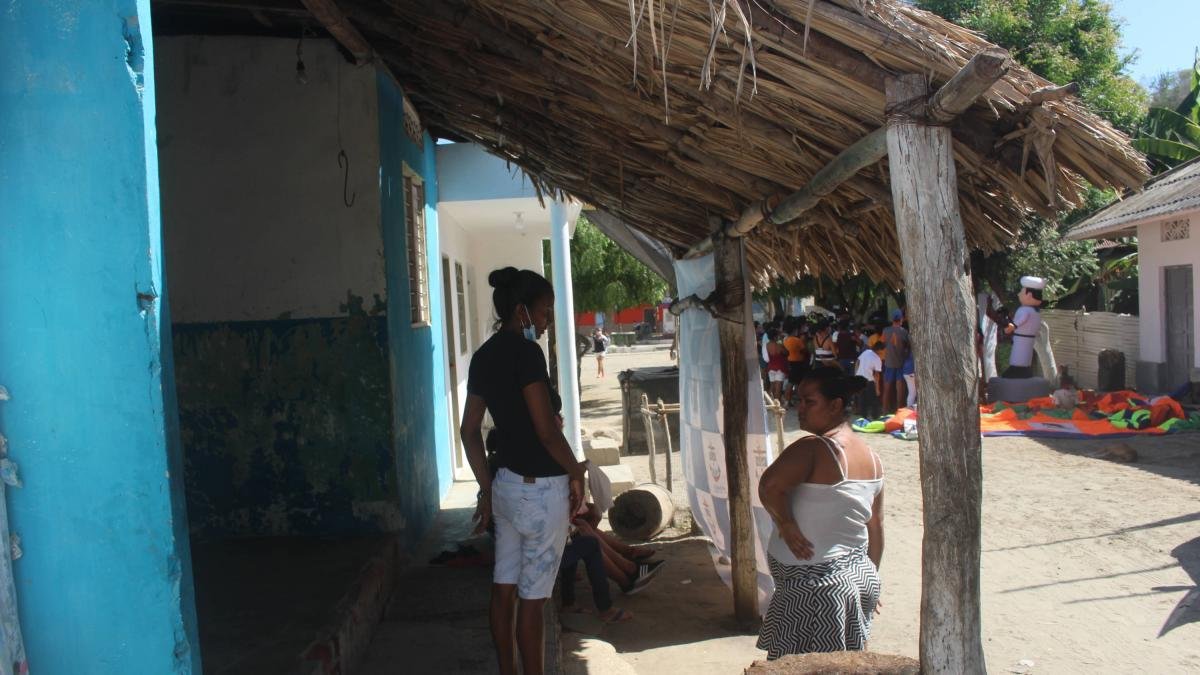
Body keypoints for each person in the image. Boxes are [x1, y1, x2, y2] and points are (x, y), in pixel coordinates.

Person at [460, 267, 586, 675]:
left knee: (503, 589)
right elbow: (547, 433)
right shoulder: (527, 355)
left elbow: (468, 430)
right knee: (533, 601)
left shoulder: (483, 356)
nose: (548, 321)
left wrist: (486, 488)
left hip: (506, 488)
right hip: (541, 492)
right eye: (545, 311)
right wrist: (577, 472)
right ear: (522, 312)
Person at [757, 367, 884, 659]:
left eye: (808, 401)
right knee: (841, 665)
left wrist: (786, 524)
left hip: (817, 590)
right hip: (855, 579)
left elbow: (768, 486)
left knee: (801, 666)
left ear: (835, 405)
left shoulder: (815, 448)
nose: (798, 408)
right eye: (798, 400)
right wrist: (870, 578)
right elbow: (875, 526)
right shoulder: (872, 457)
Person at [999, 276, 1045, 378]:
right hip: (1029, 338)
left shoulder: (1025, 310)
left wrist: (1011, 327)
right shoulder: (1036, 312)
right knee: (1026, 356)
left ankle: (1016, 370)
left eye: (1021, 292)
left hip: (1022, 338)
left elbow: (1021, 320)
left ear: (1028, 295)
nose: (1019, 294)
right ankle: (1024, 371)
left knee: (1018, 356)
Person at [881, 309, 909, 414]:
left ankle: (884, 410)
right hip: (900, 363)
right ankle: (899, 411)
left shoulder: (885, 330)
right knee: (900, 389)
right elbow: (907, 346)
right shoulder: (904, 332)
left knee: (887, 388)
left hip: (889, 363)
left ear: (892, 319)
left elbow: (882, 344)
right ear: (901, 319)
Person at [854, 341, 885, 419]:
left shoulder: (866, 352)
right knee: (873, 400)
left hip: (859, 379)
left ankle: (863, 418)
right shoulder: (877, 359)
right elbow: (877, 375)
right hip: (869, 381)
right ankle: (875, 417)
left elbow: (857, 361)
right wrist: (877, 388)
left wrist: (856, 373)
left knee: (862, 400)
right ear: (879, 350)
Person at [782, 321, 809, 406]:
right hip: (798, 363)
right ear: (794, 331)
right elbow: (804, 350)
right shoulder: (797, 340)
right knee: (796, 382)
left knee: (792, 382)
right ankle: (795, 400)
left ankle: (788, 400)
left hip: (789, 362)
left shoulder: (785, 340)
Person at [765, 327, 789, 401]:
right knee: (778, 388)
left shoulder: (767, 345)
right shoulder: (779, 345)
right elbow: (787, 353)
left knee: (772, 387)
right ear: (775, 336)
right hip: (780, 368)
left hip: (770, 367)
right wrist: (781, 342)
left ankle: (768, 403)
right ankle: (777, 406)